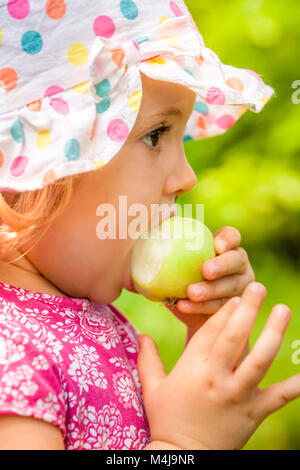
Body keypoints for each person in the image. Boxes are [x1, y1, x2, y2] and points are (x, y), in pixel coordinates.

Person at [0, 0, 297, 450]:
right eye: (155, 135)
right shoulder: (12, 355)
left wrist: (208, 336)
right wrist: (185, 444)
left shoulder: (77, 317)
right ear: (40, 168)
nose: (186, 178)